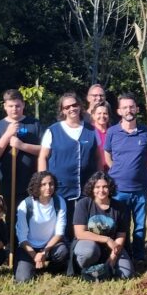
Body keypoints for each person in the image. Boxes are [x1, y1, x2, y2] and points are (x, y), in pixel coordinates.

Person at [104, 93, 147, 270]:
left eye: (132, 107)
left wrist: (138, 170)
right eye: (125, 107)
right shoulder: (112, 132)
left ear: (137, 109)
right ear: (119, 111)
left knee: (140, 225)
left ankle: (139, 256)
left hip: (140, 188)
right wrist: (119, 172)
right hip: (119, 189)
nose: (129, 110)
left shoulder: (145, 132)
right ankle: (122, 254)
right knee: (120, 225)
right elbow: (107, 156)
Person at [38, 92, 101, 235]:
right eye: (67, 107)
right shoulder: (53, 131)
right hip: (60, 186)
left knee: (84, 222)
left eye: (74, 105)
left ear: (80, 106)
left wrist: (98, 179)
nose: (72, 109)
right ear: (62, 111)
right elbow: (43, 157)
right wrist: (43, 181)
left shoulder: (92, 130)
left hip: (86, 186)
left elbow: (98, 157)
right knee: (62, 223)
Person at [0, 89, 42, 207]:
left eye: (18, 106)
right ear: (5, 106)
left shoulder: (34, 124)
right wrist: (7, 134)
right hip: (9, 184)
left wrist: (21, 146)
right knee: (11, 215)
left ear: (23, 105)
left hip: (33, 182)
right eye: (11, 106)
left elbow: (45, 150)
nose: (14, 109)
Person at [71, 171, 132, 280]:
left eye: (105, 187)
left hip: (112, 247)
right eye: (97, 187)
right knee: (88, 252)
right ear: (92, 188)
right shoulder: (83, 204)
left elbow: (121, 235)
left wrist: (113, 258)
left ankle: (104, 268)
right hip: (89, 244)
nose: (101, 190)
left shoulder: (120, 207)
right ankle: (85, 269)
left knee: (126, 274)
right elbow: (80, 233)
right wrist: (107, 239)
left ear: (110, 188)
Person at [13, 171, 70, 283]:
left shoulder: (59, 202)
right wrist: (35, 256)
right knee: (23, 280)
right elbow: (22, 238)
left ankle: (49, 269)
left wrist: (44, 252)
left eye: (51, 184)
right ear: (36, 186)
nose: (48, 187)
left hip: (50, 246)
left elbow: (59, 233)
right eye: (43, 184)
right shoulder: (25, 205)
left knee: (62, 252)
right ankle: (32, 265)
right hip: (29, 247)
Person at [91, 101, 112, 171]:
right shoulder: (89, 132)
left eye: (105, 113)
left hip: (112, 170)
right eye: (99, 113)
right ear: (93, 115)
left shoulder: (113, 132)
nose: (102, 116)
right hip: (94, 172)